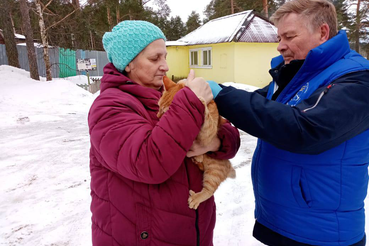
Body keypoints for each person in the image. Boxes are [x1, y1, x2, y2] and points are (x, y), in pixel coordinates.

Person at [196, 0, 369, 245]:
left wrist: (221, 95)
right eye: (279, 37)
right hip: (281, 221)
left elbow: (304, 129)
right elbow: (259, 108)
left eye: (289, 36)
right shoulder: (296, 74)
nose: (280, 46)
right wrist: (213, 103)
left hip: (322, 234)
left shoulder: (357, 79)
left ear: (322, 32)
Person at [87, 20, 240, 246]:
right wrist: (192, 100)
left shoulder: (169, 93)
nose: (165, 66)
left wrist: (214, 142)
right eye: (154, 58)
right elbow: (149, 163)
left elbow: (232, 139)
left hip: (194, 232)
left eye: (165, 56)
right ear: (128, 63)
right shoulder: (109, 107)